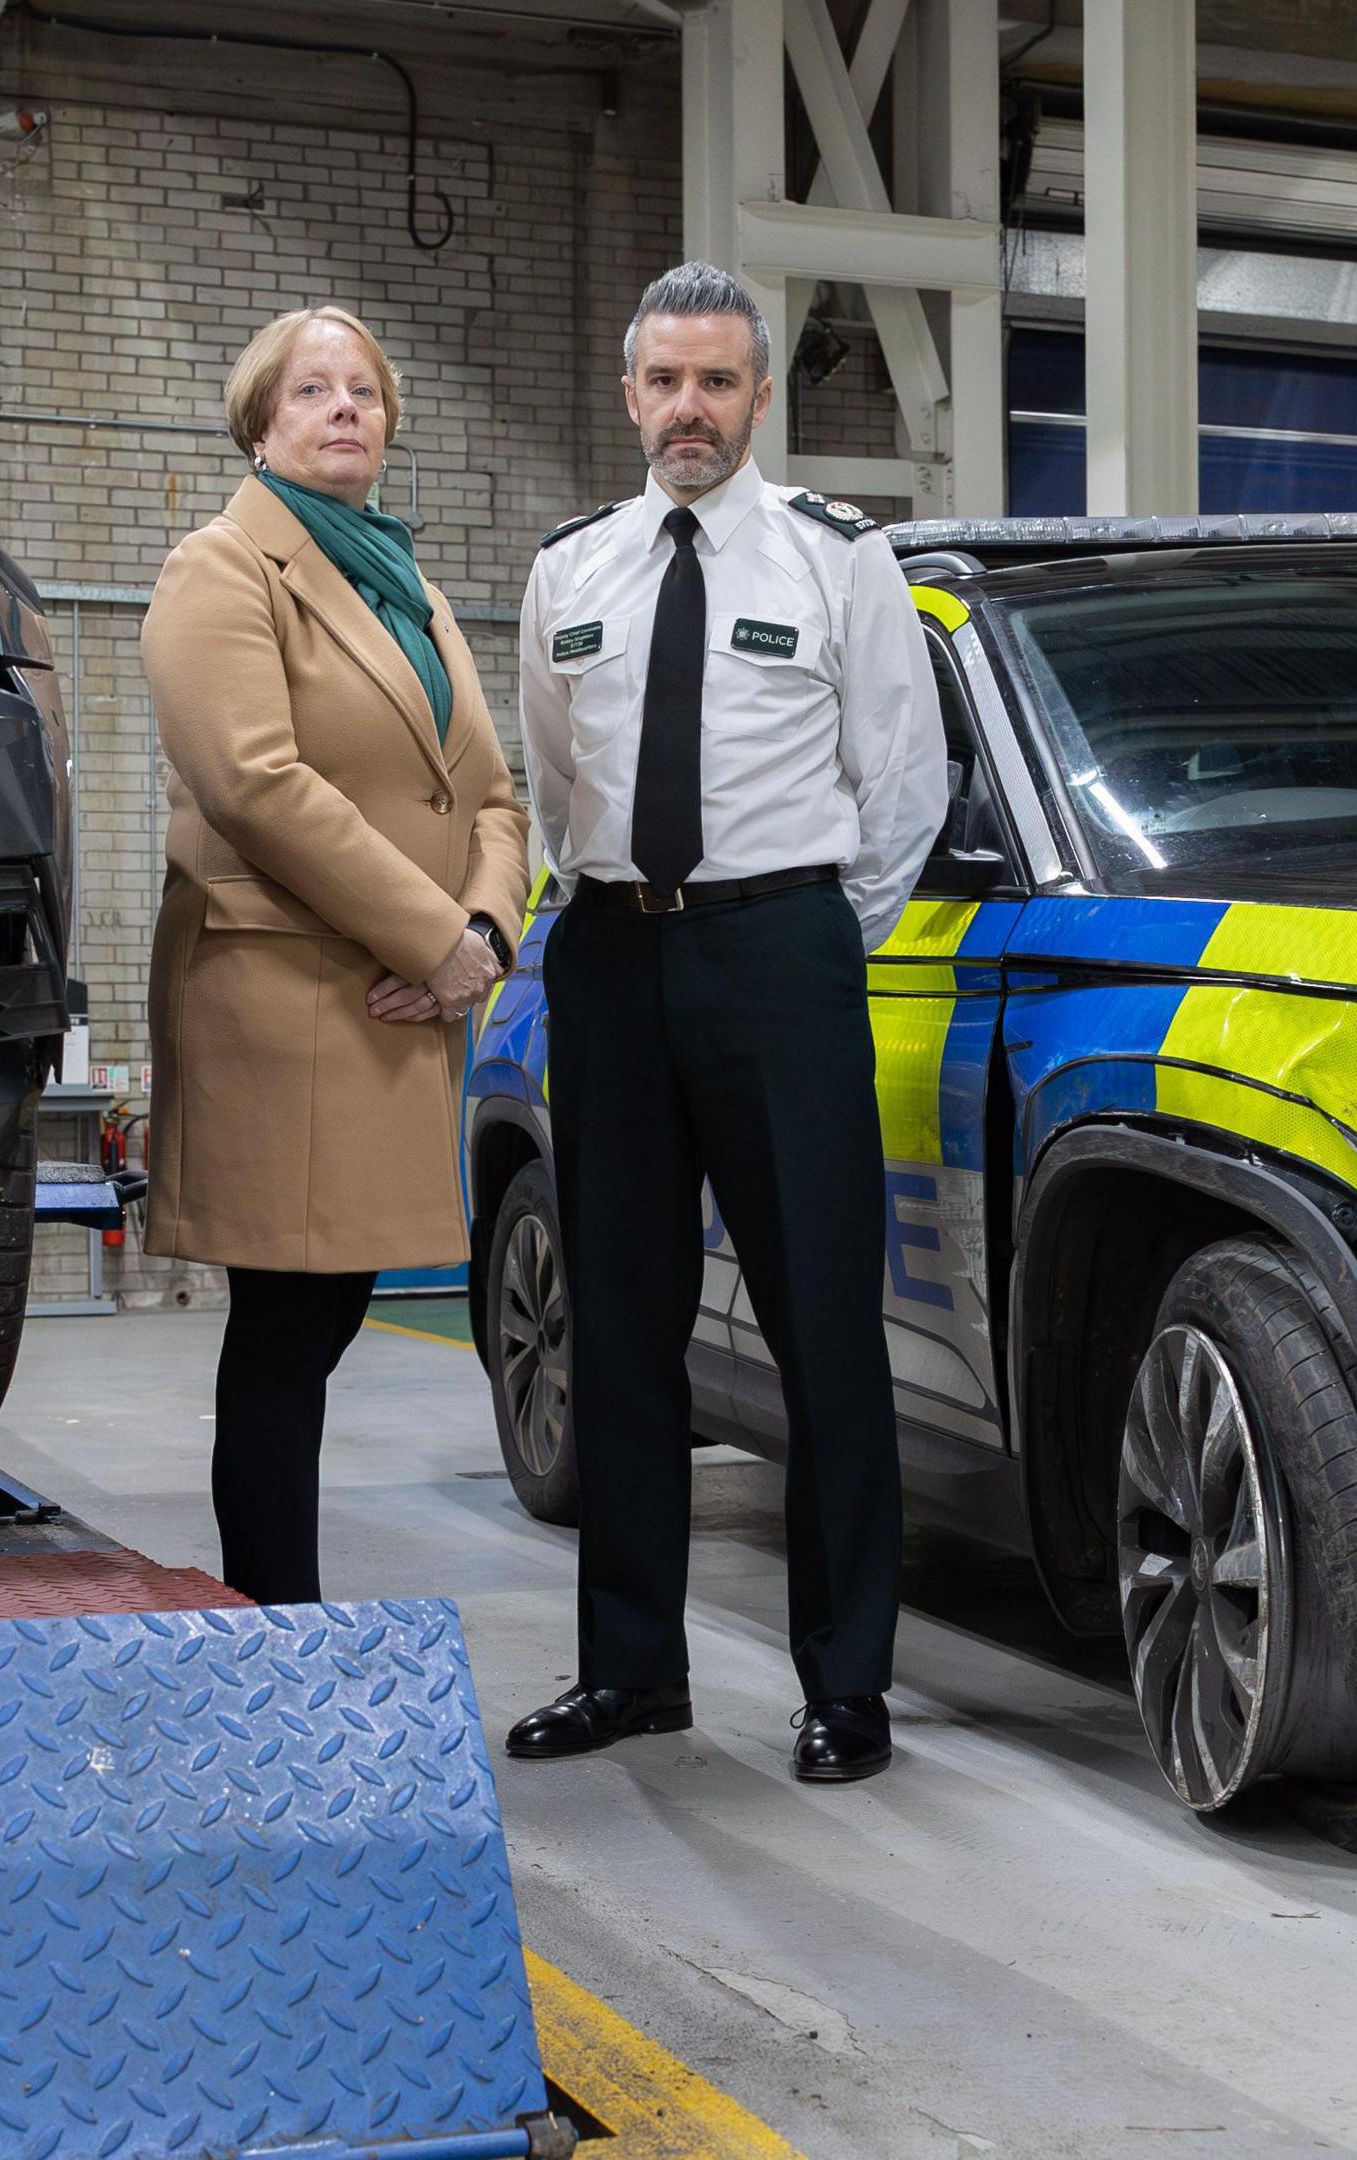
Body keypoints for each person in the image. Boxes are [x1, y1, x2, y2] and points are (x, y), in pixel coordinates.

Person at [502, 262, 946, 1783]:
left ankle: (847, 1683)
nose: (689, 409)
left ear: (760, 398)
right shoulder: (574, 572)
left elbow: (902, 786)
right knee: (621, 1324)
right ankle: (632, 1668)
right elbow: (557, 780)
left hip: (778, 957)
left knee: (822, 1321)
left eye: (718, 383)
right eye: (665, 383)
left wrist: (803, 934)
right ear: (630, 397)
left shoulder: (838, 559)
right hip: (613, 963)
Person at [140, 304, 529, 1604]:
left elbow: (491, 795)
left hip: (398, 1000)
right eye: (313, 390)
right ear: (261, 421)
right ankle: (274, 1624)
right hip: (283, 1003)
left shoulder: (401, 584)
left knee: (321, 1321)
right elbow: (256, 786)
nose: (345, 408)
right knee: (286, 1329)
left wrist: (482, 934)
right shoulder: (222, 570)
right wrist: (430, 933)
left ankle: (280, 1620)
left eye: (363, 389)